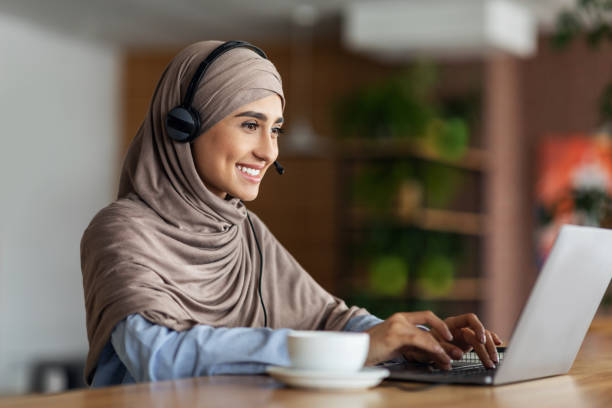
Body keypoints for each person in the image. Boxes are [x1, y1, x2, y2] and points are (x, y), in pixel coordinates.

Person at [80, 40, 502, 387]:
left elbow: (326, 317)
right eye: (250, 125)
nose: (269, 151)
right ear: (183, 126)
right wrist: (356, 349)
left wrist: (420, 340)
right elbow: (161, 358)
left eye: (275, 128)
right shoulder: (120, 230)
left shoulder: (243, 232)